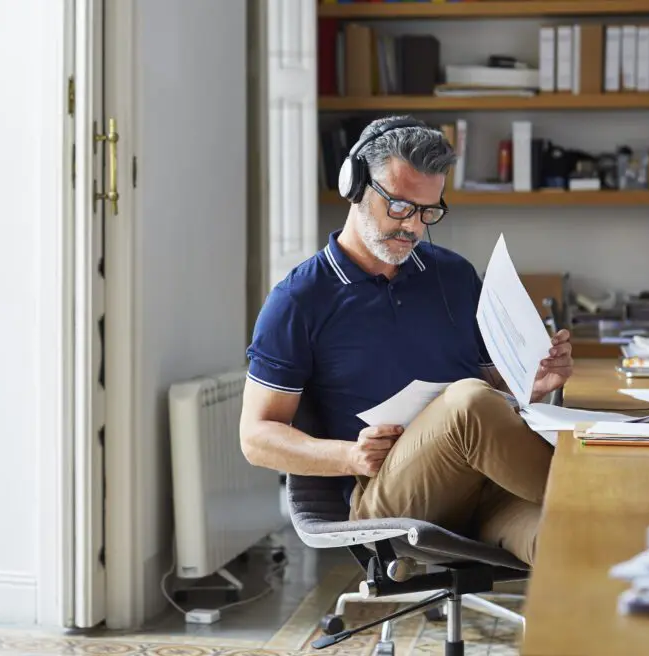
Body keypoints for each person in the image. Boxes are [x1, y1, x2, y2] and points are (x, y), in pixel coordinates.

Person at [238, 116, 573, 566]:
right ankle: (603, 492)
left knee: (577, 541)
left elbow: (496, 388)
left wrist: (530, 382)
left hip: (487, 492)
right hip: (393, 504)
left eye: (427, 211)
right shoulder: (299, 299)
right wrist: (350, 456)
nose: (413, 227)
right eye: (399, 206)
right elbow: (256, 437)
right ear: (355, 185)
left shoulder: (453, 276)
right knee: (468, 402)